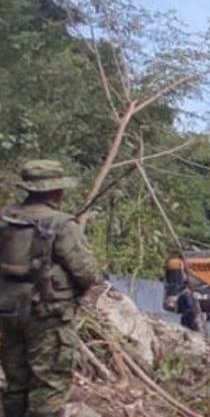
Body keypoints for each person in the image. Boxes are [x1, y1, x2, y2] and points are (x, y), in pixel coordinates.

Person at [0, 160, 101, 417]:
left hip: (10, 312)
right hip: (49, 316)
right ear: (56, 191)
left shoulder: (5, 219)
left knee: (16, 385)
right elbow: (86, 273)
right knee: (49, 386)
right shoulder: (62, 225)